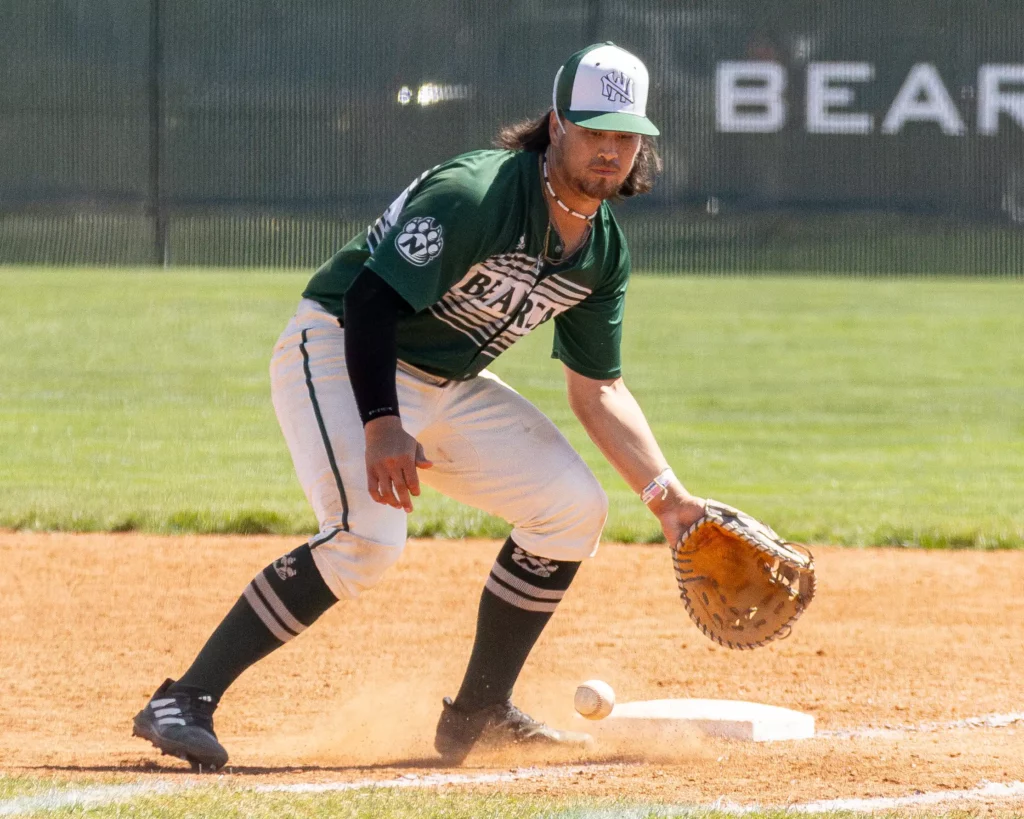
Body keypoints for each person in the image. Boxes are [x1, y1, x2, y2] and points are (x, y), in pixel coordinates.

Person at [132, 41, 706, 772]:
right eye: (594, 130)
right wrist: (382, 425)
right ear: (556, 125)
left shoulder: (601, 252)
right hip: (338, 346)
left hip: (443, 382)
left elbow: (599, 389)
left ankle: (478, 711)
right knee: (368, 537)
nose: (610, 150)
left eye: (626, 136)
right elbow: (371, 299)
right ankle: (184, 698)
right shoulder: (477, 196)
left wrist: (667, 498)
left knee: (572, 509)